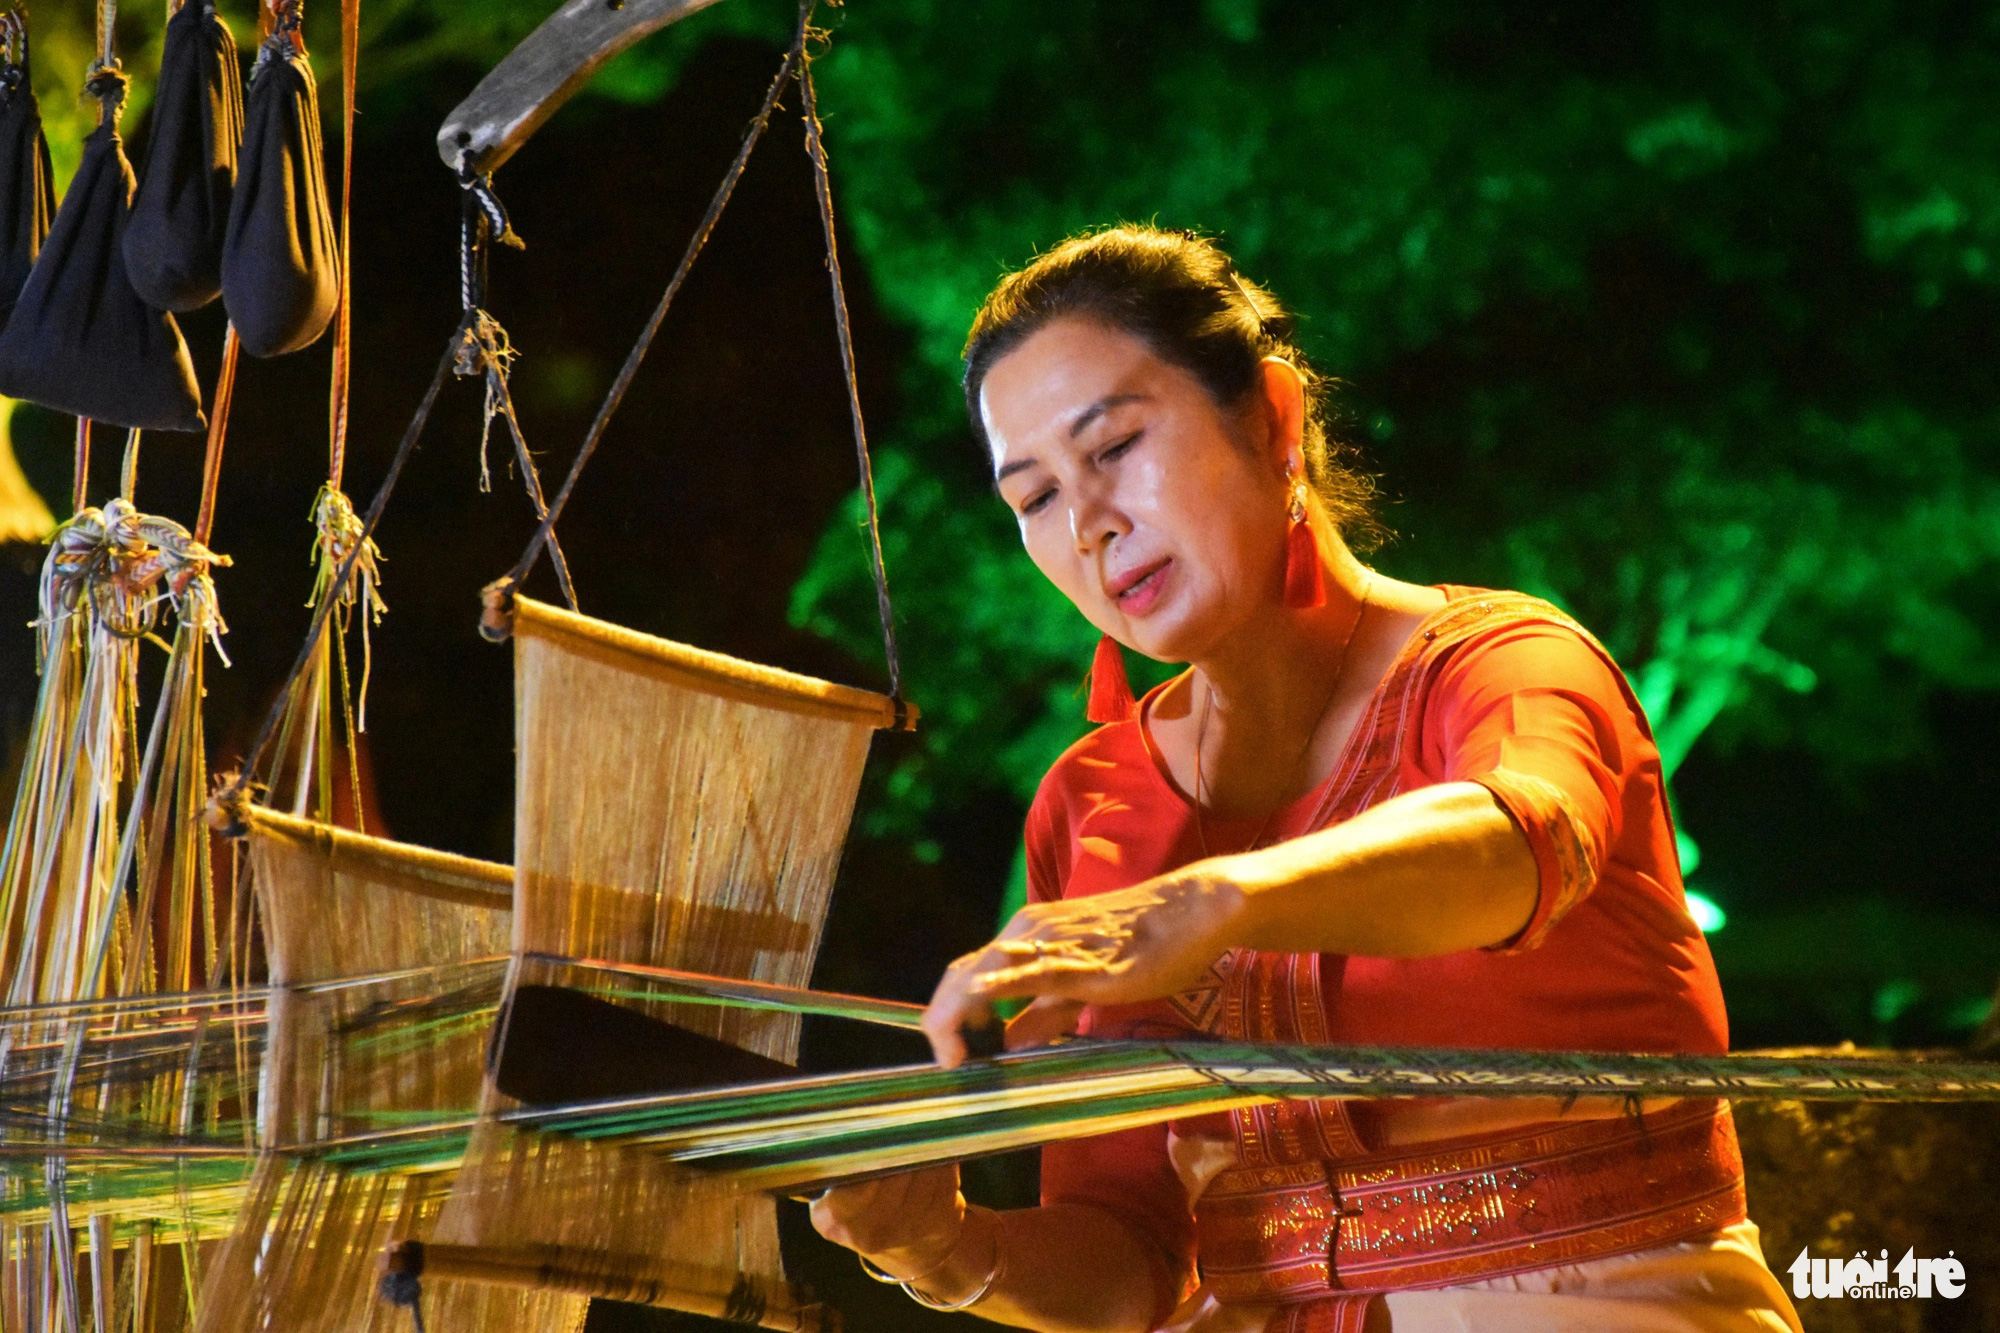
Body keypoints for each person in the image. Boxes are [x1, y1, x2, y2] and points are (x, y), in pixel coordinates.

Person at [811, 225, 1803, 1332]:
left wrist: (1213, 900)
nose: (1085, 524)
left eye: (1113, 447)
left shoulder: (1505, 664)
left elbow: (1522, 840)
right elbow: (1131, 1254)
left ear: (1270, 417)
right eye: (1034, 498)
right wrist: (946, 1250)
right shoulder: (1087, 804)